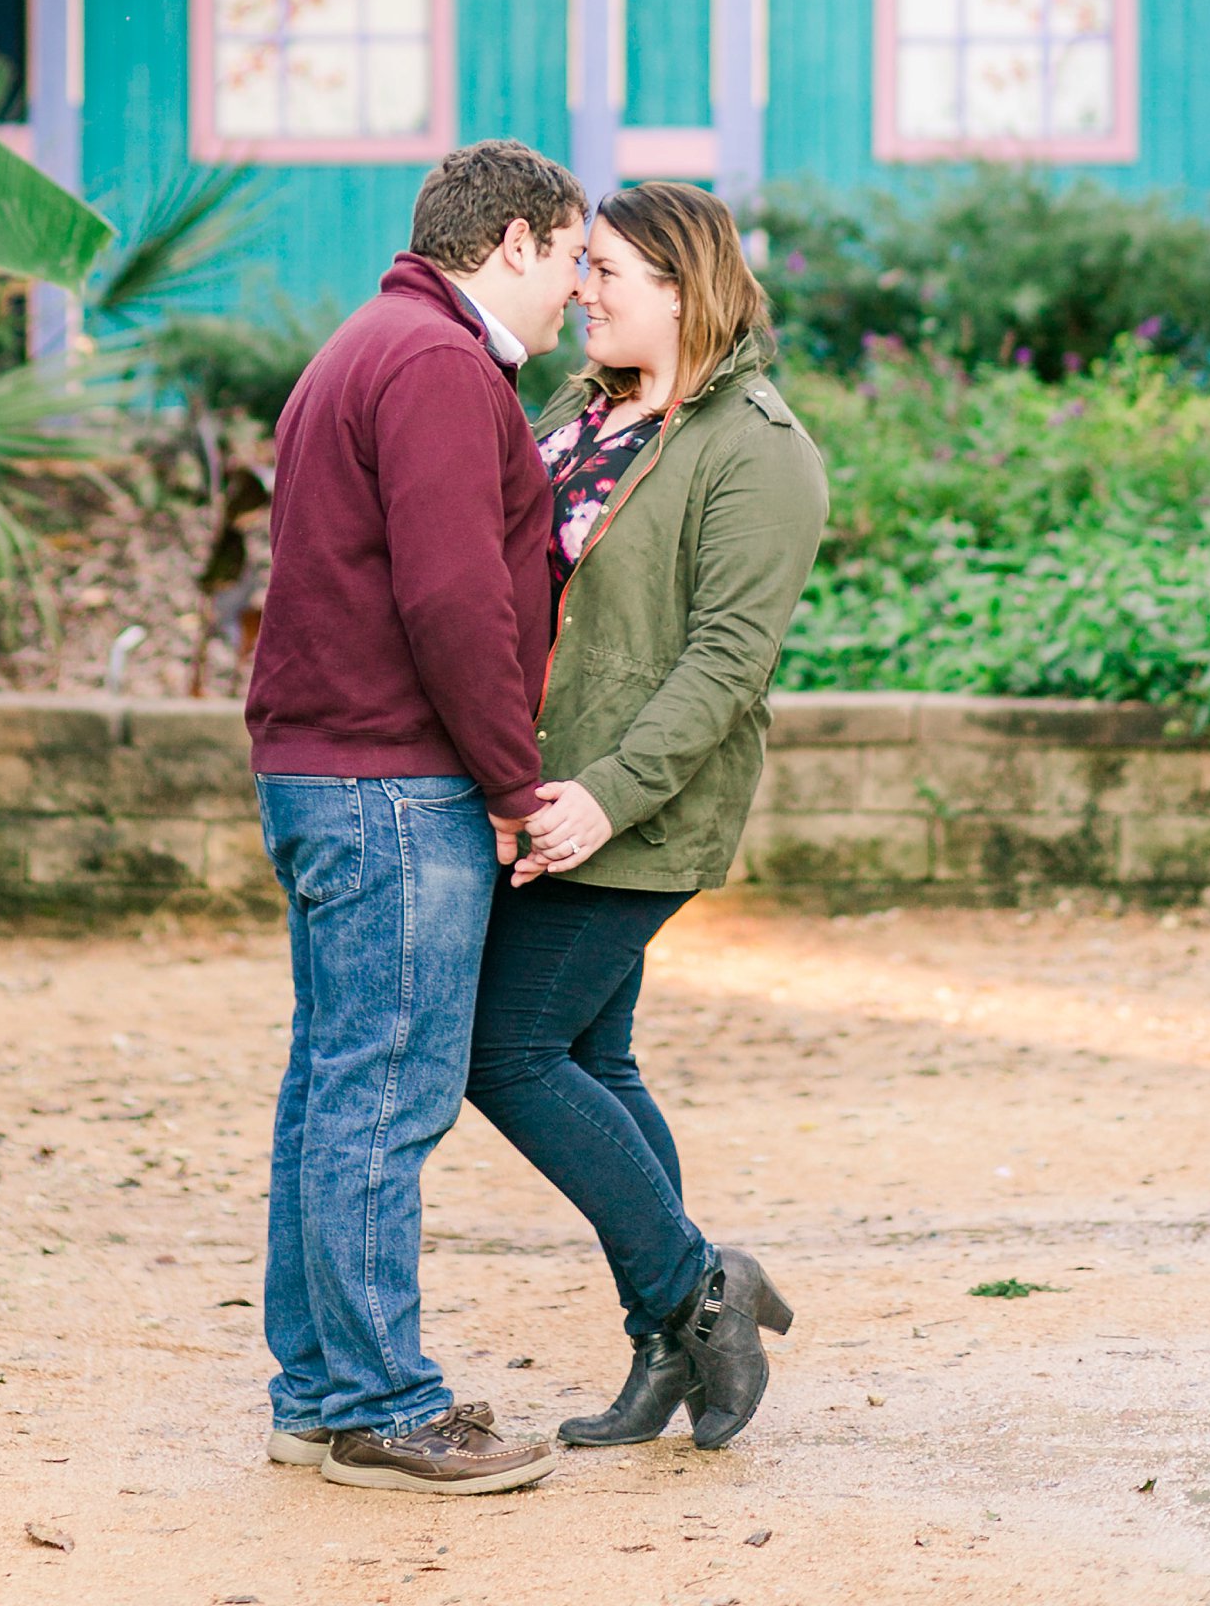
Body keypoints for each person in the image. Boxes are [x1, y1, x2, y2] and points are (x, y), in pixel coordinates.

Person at [245, 140, 586, 1497]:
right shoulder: (440, 365)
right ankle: (384, 1406)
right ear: (512, 241)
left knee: (335, 1090)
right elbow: (455, 603)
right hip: (390, 782)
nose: (573, 289)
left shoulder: (371, 342)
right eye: (569, 257)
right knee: (382, 1097)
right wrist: (514, 784)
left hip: (330, 771)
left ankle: (323, 1395)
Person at [466, 181, 827, 1453]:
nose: (581, 289)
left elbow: (727, 660)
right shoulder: (581, 410)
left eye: (607, 271)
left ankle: (697, 1293)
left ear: (679, 287)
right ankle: (666, 1347)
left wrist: (603, 797)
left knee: (500, 1052)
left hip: (633, 806)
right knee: (594, 1062)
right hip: (543, 791)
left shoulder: (758, 447)